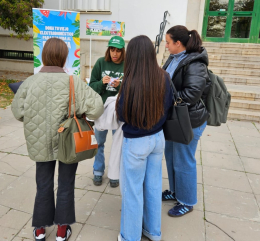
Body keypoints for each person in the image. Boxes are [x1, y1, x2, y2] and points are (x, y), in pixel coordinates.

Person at [11, 38, 104, 241]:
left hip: (39, 142)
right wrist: (79, 111)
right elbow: (97, 108)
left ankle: (40, 229)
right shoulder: (73, 82)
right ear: (64, 58)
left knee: (43, 184)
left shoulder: (29, 82)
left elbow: (18, 112)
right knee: (66, 184)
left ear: (44, 56)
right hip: (68, 142)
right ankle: (62, 230)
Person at [116, 35, 173, 241]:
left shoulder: (129, 80)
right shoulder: (164, 76)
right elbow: (168, 106)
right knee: (153, 186)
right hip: (157, 139)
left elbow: (122, 114)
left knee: (132, 191)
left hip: (136, 142)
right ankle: (153, 232)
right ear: (150, 52)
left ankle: (130, 237)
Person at [162, 25, 210, 217]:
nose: (165, 45)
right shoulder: (174, 58)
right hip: (175, 119)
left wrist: (167, 98)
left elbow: (191, 94)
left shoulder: (195, 63)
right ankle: (175, 192)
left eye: (168, 42)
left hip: (189, 121)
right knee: (172, 157)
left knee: (184, 161)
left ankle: (187, 201)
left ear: (178, 43)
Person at [89, 35, 125, 187]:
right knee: (98, 142)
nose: (114, 54)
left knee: (118, 144)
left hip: (119, 110)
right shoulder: (100, 63)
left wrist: (120, 85)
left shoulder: (128, 64)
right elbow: (91, 86)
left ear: (123, 51)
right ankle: (98, 171)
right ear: (108, 50)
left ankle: (115, 174)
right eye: (112, 50)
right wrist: (102, 83)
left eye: (118, 50)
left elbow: (133, 88)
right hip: (102, 109)